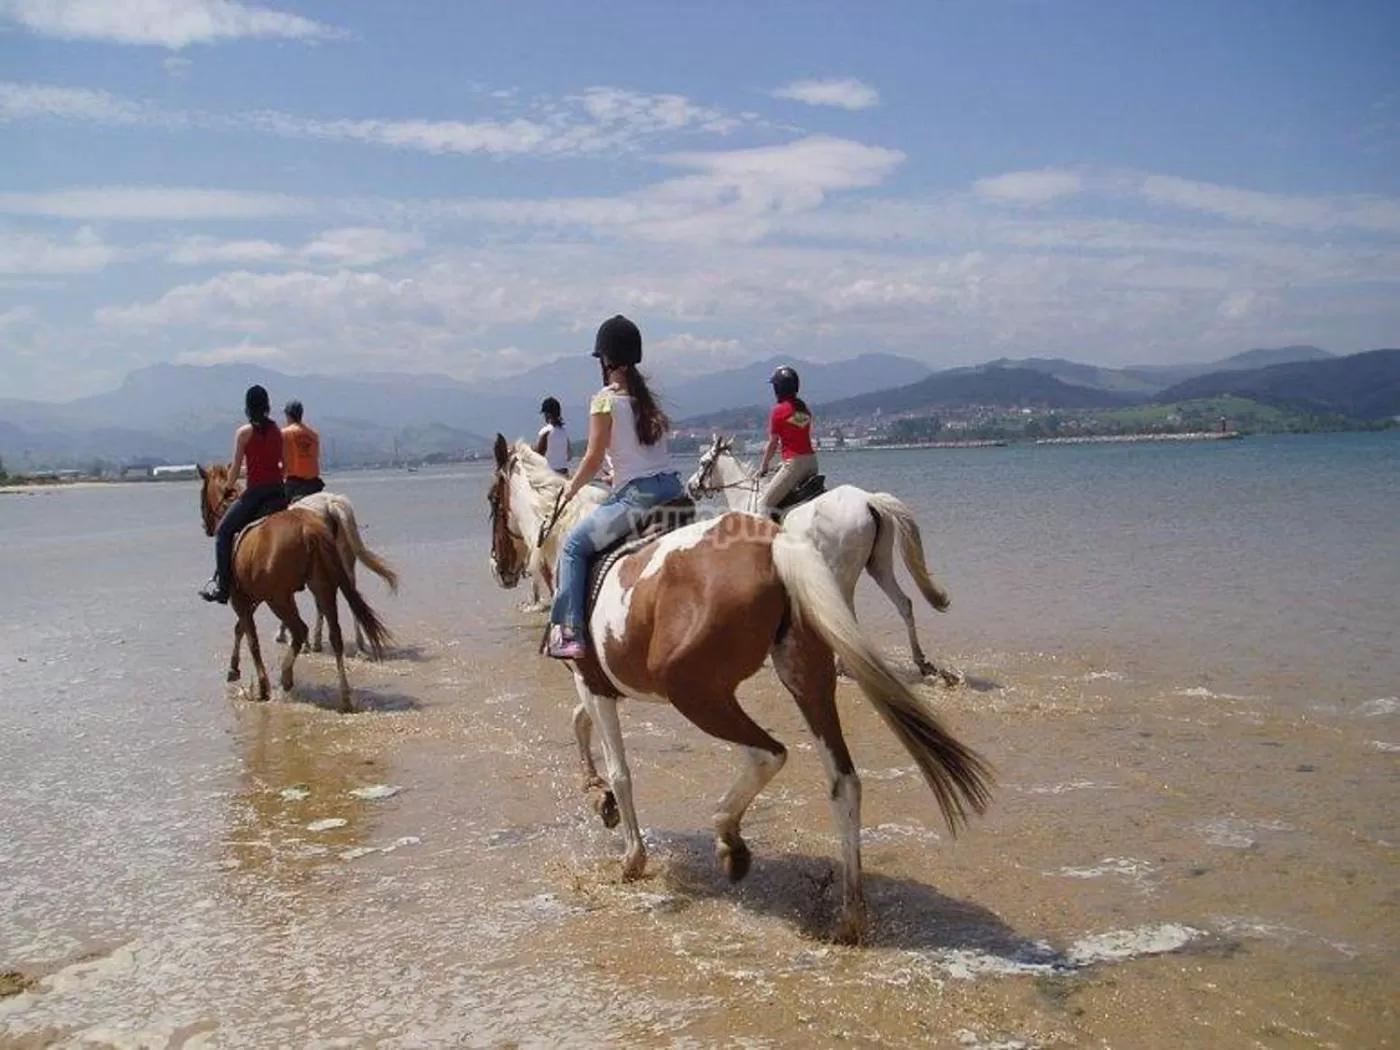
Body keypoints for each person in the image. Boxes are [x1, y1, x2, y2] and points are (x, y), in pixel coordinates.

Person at [545, 314, 684, 661]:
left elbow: (592, 459)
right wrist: (614, 476)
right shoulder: (647, 401)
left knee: (574, 547)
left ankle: (568, 634)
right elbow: (639, 456)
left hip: (638, 497)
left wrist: (571, 489)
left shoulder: (604, 400)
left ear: (605, 359)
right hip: (672, 490)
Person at [199, 384, 288, 603]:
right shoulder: (277, 430)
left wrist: (229, 487)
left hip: (256, 493)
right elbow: (284, 465)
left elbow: (236, 468)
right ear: (267, 405)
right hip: (278, 493)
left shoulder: (244, 433)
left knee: (223, 533)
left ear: (248, 407)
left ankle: (223, 588)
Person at [755, 365, 818, 519]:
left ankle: (765, 542)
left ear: (779, 388)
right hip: (812, 463)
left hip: (795, 465)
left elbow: (773, 443)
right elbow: (797, 438)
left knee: (763, 504)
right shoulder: (803, 409)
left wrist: (763, 467)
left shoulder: (778, 411)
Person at [281, 399, 324, 502]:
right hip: (314, 484)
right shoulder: (314, 435)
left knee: (275, 509)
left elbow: (282, 461)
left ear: (288, 415)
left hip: (294, 485)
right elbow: (314, 457)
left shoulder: (284, 433)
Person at [534, 396, 571, 475]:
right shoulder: (564, 431)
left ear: (547, 414)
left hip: (549, 475)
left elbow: (537, 456)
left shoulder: (545, 431)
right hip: (564, 473)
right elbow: (569, 456)